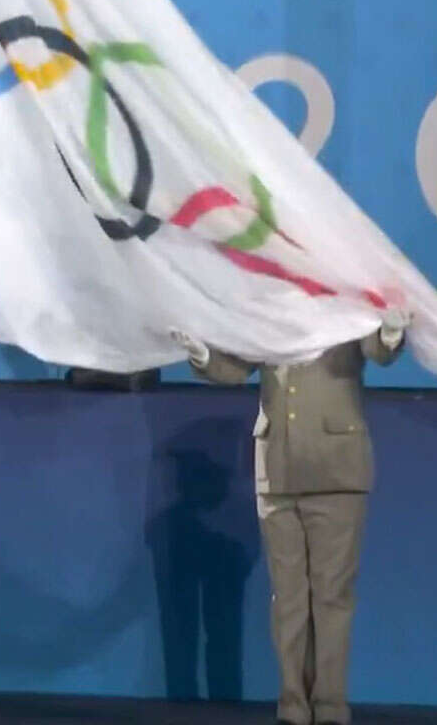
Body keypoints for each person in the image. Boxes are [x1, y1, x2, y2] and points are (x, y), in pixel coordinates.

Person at [172, 306, 409, 725]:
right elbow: (235, 367)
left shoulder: (343, 297)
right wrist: (202, 355)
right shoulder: (266, 305)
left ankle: (331, 706)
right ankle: (293, 706)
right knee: (289, 599)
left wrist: (390, 333)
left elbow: (377, 349)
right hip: (278, 472)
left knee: (331, 596)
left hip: (336, 469)